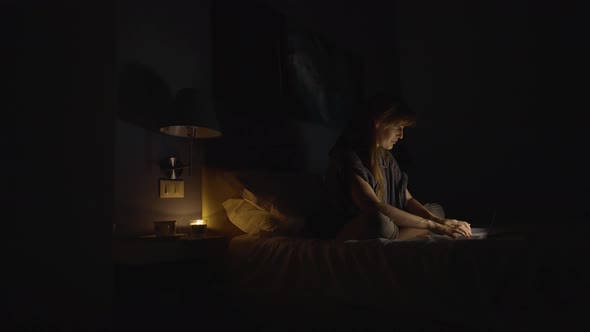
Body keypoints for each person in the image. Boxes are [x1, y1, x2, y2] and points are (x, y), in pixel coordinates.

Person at [321, 93, 472, 240]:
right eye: (398, 127)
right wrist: (431, 225)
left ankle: (397, 235)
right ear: (378, 122)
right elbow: (373, 206)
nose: (401, 135)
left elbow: (407, 200)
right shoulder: (348, 156)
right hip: (357, 224)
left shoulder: (385, 156)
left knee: (436, 210)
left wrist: (436, 220)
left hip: (390, 223)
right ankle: (401, 234)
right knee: (378, 221)